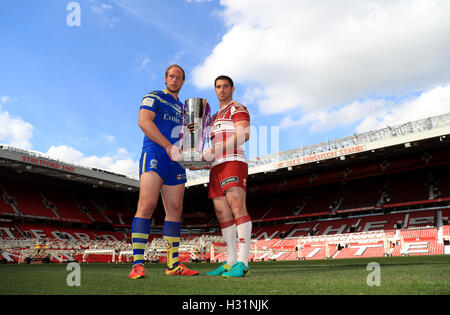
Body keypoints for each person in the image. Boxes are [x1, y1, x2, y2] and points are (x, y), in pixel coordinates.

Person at [129, 64, 199, 279]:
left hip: (175, 161)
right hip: (155, 155)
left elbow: (187, 138)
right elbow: (144, 122)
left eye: (178, 77)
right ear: (165, 78)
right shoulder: (155, 96)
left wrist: (191, 156)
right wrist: (167, 147)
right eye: (171, 76)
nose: (174, 80)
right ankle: (137, 264)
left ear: (183, 82)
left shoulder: (186, 110)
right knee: (147, 205)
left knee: (175, 209)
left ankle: (173, 264)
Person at [202, 75, 252, 278]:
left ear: (232, 88)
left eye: (225, 86)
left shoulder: (237, 108)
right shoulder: (213, 118)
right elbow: (211, 147)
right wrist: (202, 161)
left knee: (237, 206)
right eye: (218, 87)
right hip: (216, 167)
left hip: (233, 162)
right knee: (222, 213)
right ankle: (231, 261)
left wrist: (216, 148)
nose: (221, 90)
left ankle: (243, 262)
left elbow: (244, 135)